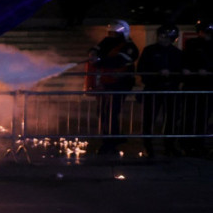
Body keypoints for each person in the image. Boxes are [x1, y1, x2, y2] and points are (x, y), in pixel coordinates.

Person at [86, 19, 139, 154]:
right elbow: (96, 49)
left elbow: (117, 61)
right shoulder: (107, 41)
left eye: (114, 34)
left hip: (120, 84)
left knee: (110, 112)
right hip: (106, 83)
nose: (111, 36)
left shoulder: (129, 47)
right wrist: (92, 53)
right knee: (103, 112)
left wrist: (99, 61)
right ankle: (115, 136)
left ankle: (110, 142)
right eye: (110, 33)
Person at [137, 24, 183, 157]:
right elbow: (141, 68)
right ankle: (148, 145)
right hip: (153, 89)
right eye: (162, 36)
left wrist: (172, 75)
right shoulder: (149, 51)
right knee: (149, 118)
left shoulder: (177, 53)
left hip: (171, 90)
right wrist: (157, 73)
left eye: (167, 37)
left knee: (172, 119)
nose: (163, 40)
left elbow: (181, 71)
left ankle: (169, 145)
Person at [181, 19, 213, 156]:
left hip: (207, 85)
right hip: (193, 84)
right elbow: (186, 59)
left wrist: (206, 70)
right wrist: (187, 69)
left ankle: (198, 144)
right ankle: (187, 144)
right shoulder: (192, 44)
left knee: (203, 117)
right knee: (189, 115)